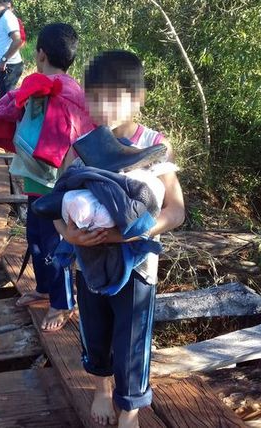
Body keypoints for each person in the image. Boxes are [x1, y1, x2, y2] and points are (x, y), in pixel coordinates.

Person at [53, 51, 185, 427]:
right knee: (94, 330)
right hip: (90, 260)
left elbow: (175, 211)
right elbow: (54, 210)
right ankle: (101, 389)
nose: (103, 106)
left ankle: (130, 408)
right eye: (95, 97)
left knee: (133, 338)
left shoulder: (154, 145)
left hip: (138, 265)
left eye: (114, 97)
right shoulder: (80, 148)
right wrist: (72, 234)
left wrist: (133, 232)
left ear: (138, 97)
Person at [0, 23, 95, 331]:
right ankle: (43, 289)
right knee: (36, 239)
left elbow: (6, 111)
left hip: (56, 183)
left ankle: (62, 302)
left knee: (55, 244)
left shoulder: (49, 88)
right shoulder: (75, 91)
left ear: (40, 54)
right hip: (38, 179)